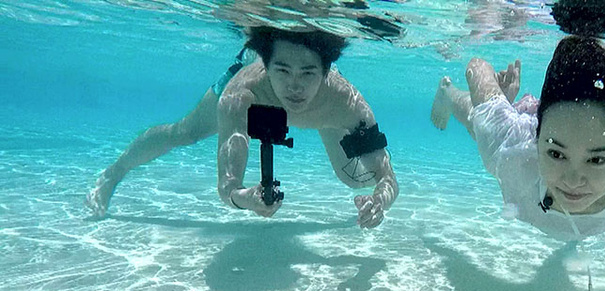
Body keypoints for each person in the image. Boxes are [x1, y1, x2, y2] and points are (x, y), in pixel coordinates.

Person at [86, 27, 397, 228]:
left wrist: (379, 202)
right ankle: (115, 171)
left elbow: (387, 177)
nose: (294, 86)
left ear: (326, 72)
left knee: (355, 179)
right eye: (282, 70)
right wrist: (244, 198)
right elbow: (228, 186)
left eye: (308, 73)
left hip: (322, 111)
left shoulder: (346, 105)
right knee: (185, 133)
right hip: (256, 100)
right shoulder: (240, 95)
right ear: (265, 65)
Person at [430, 35, 605, 241]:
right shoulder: (514, 150)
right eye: (556, 154)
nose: (573, 181)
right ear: (537, 138)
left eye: (597, 160)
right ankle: (447, 92)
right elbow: (477, 66)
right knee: (479, 124)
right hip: (539, 125)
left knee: (489, 129)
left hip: (561, 125)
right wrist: (500, 100)